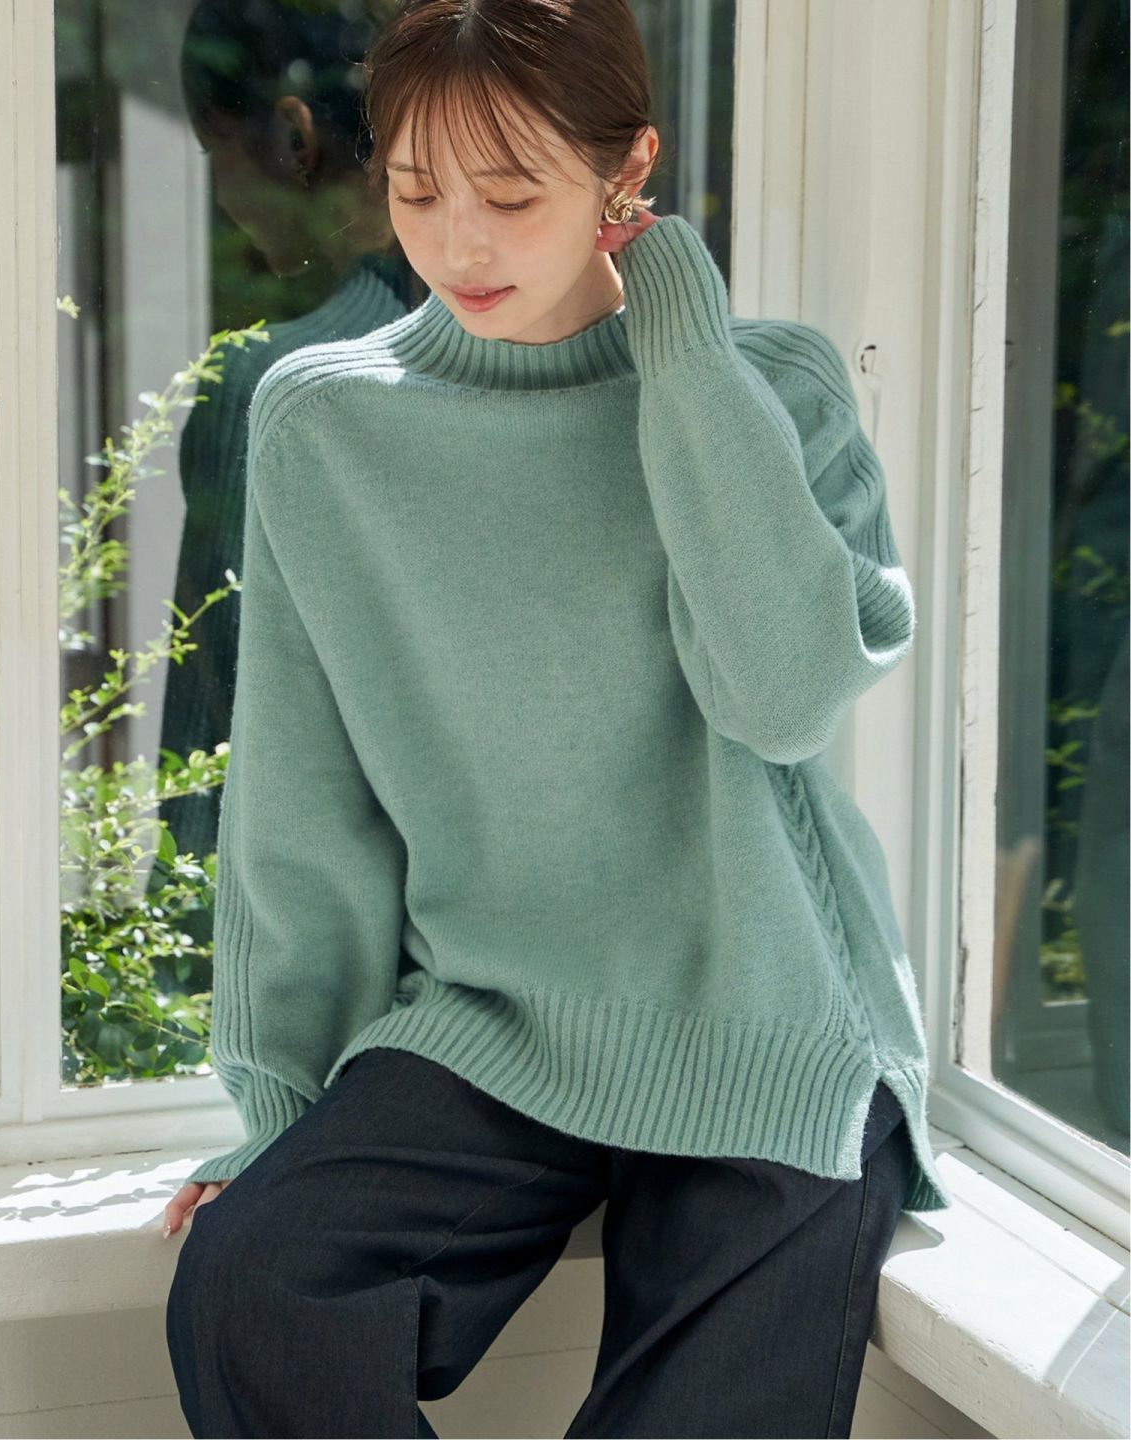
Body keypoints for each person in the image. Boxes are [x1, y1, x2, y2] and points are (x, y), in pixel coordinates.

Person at [164, 2, 952, 1434]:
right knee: (254, 1288)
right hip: (489, 1019)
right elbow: (302, 806)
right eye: (416, 192)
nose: (460, 243)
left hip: (765, 1013)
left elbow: (783, 700)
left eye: (514, 194)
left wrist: (684, 343)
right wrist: (279, 1115)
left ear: (626, 169)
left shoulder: (773, 389)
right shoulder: (324, 425)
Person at [155, 0, 419, 874]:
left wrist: (171, 935)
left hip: (301, 914)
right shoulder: (499, 342)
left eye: (217, 154)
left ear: (293, 138)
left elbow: (213, 725)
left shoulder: (266, 386)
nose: (221, 198)